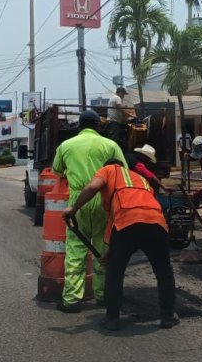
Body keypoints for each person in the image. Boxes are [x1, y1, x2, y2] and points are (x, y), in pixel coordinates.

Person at [62, 158, 178, 331]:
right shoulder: (140, 179)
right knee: (163, 271)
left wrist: (74, 208)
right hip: (156, 222)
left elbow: (93, 187)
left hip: (127, 221)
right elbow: (115, 220)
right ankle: (168, 316)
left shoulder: (109, 170)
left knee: (115, 272)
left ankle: (112, 319)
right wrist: (107, 252)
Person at [52, 110, 127, 313]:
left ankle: (71, 300)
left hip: (78, 200)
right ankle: (102, 296)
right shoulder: (110, 145)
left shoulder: (66, 146)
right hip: (104, 200)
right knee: (103, 249)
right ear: (98, 125)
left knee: (76, 250)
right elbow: (123, 171)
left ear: (80, 126)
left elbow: (56, 170)